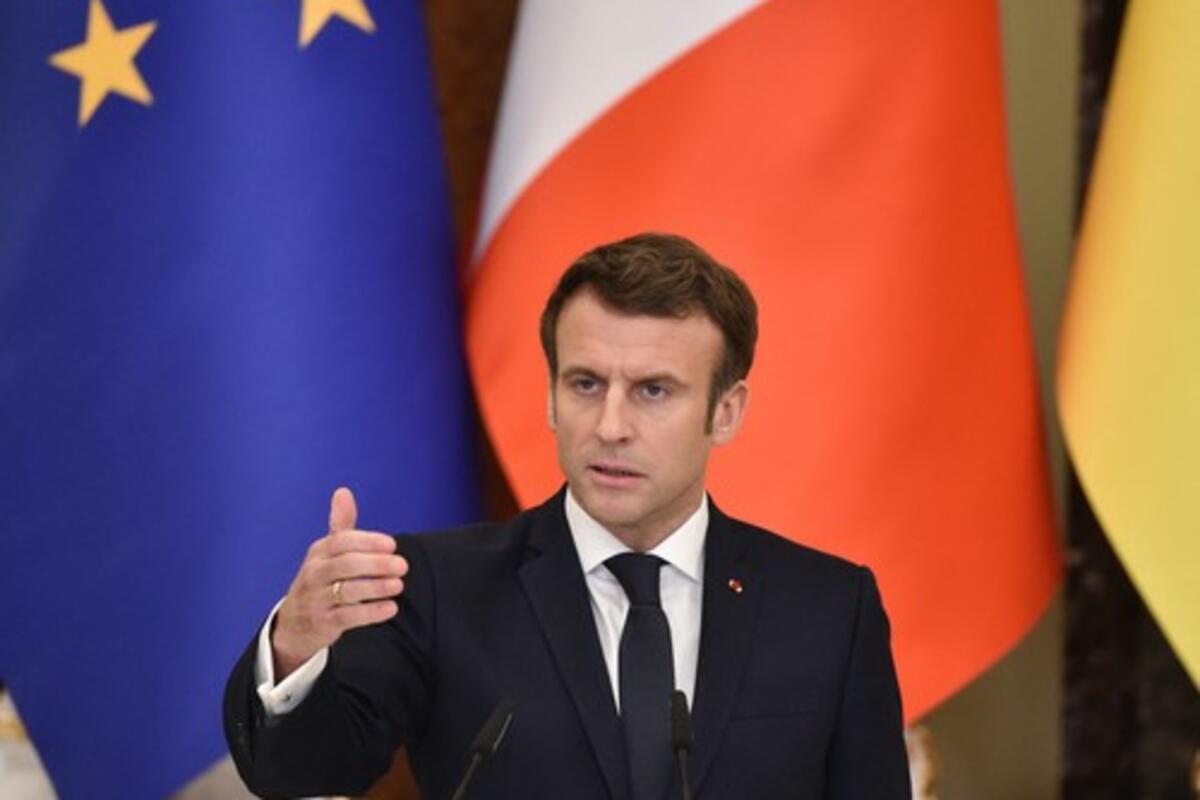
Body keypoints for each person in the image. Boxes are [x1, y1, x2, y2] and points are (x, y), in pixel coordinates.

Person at [224, 232, 911, 799]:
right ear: (552, 398)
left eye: (652, 391)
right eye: (585, 384)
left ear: (725, 412)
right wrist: (296, 647)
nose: (610, 426)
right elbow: (301, 774)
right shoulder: (437, 588)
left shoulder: (828, 608)